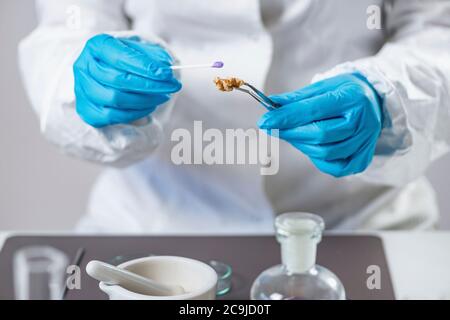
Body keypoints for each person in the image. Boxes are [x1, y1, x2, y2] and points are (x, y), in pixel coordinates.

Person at [18, 0, 450, 233]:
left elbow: (438, 29)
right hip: (155, 222)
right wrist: (88, 80)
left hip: (358, 224)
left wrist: (384, 98)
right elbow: (69, 25)